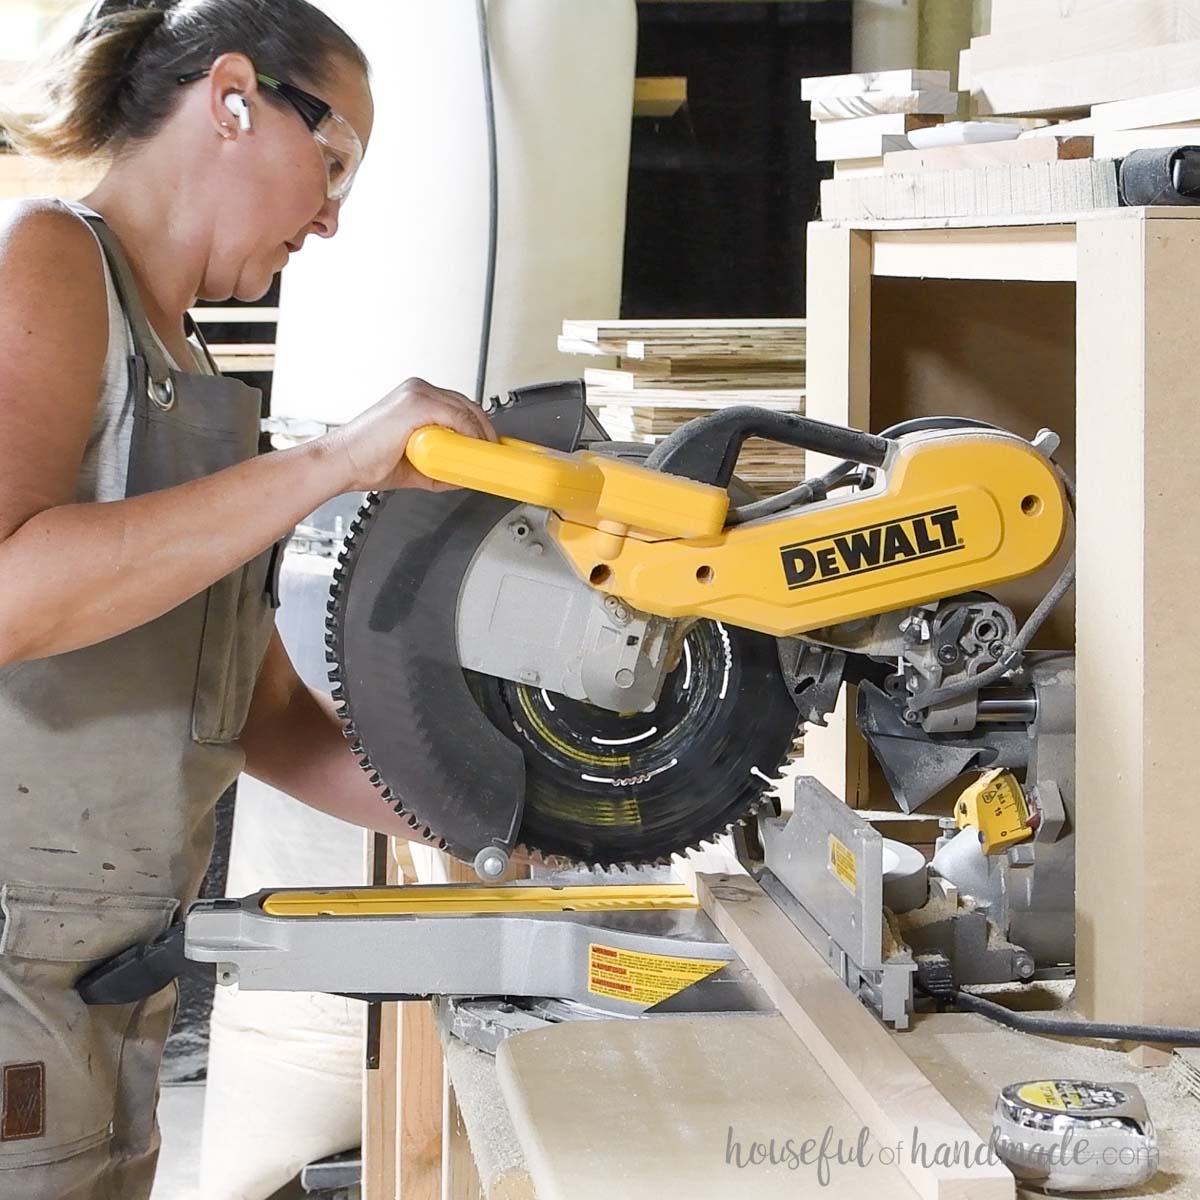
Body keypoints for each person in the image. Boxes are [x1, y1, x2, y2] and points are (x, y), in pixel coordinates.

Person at [0, 1, 498, 1195]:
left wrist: (514, 818)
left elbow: (255, 710)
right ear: (234, 97)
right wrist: (331, 463)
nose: (332, 218)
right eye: (332, 164)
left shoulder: (197, 373)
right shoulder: (49, 259)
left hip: (105, 972)